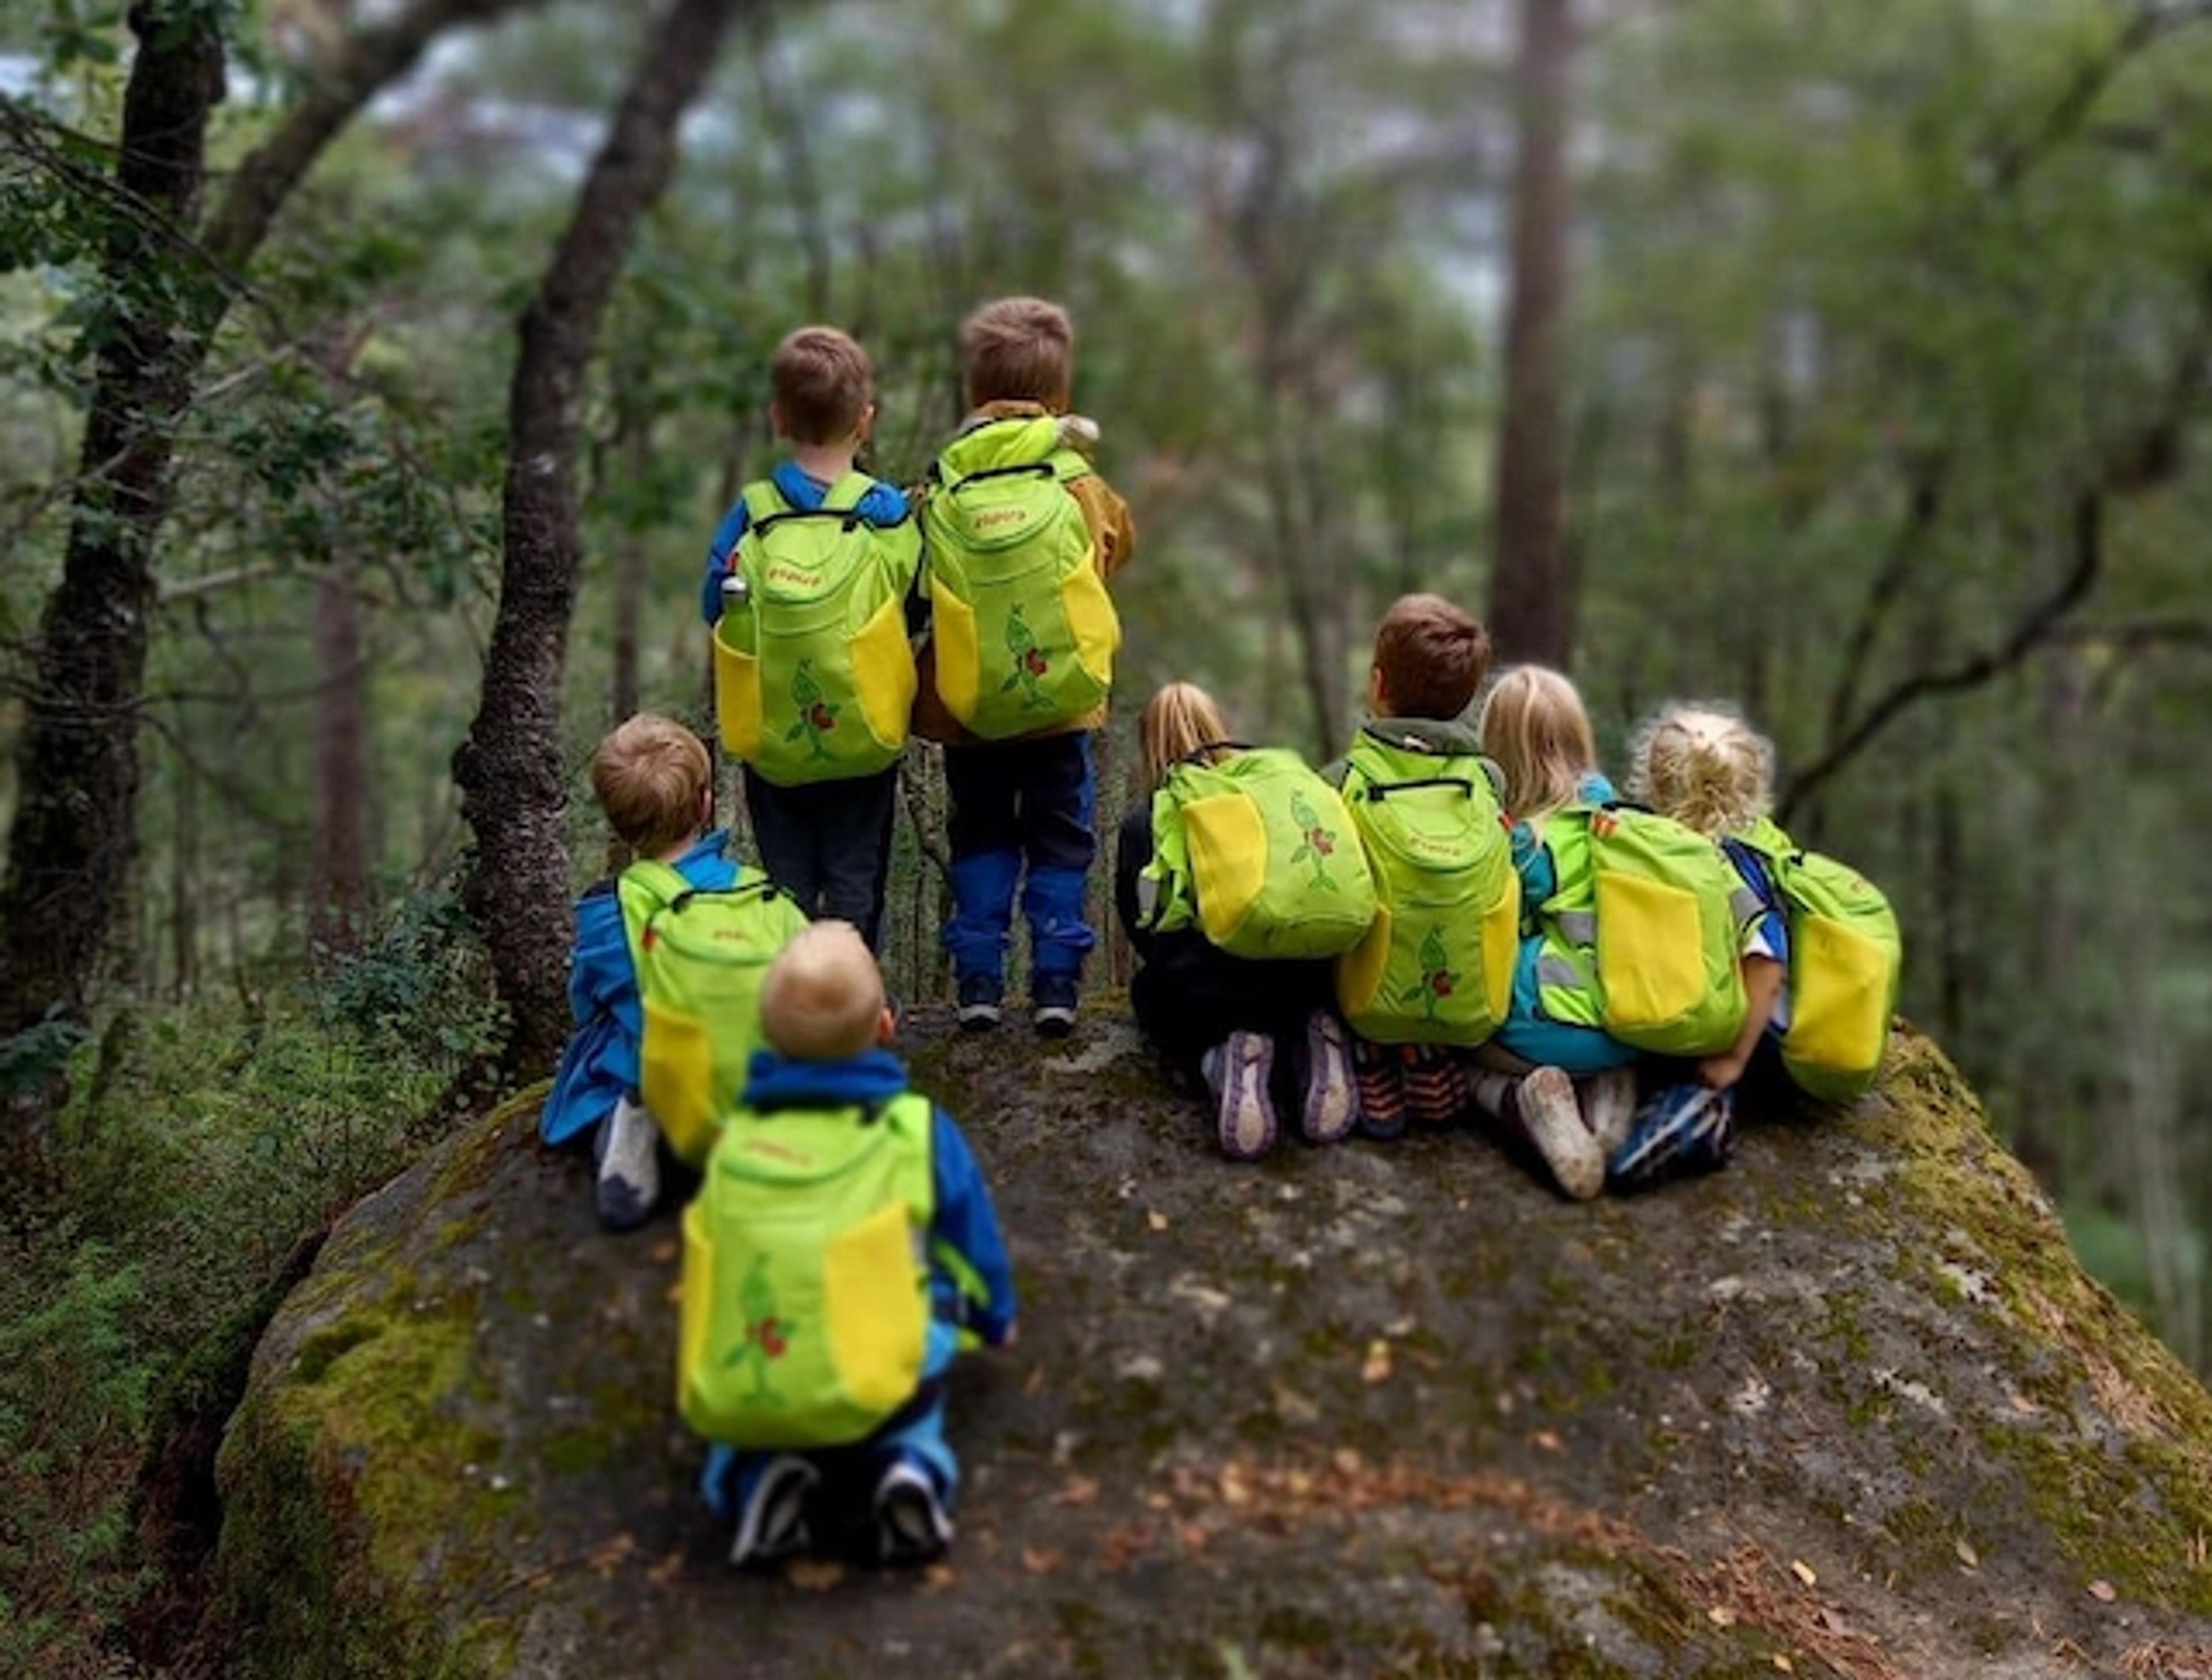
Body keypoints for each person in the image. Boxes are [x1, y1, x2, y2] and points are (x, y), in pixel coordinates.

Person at [698, 922, 1016, 1567]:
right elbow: (973, 1237)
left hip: (765, 1378)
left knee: (746, 1438)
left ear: (768, 1036)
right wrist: (995, 1315)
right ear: (886, 1026)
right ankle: (909, 1468)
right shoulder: (915, 1128)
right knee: (933, 1295)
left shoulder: (735, 1139)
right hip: (885, 1383)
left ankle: (764, 1477)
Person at [917, 297, 1137, 1036]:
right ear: (1060, 392)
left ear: (975, 390)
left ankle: (979, 982)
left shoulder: (944, 484)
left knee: (981, 833)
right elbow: (1117, 546)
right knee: (1061, 836)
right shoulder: (1076, 481)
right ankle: (1056, 984)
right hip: (1060, 703)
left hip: (972, 707)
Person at [699, 326, 919, 951]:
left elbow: (714, 605)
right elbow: (915, 596)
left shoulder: (754, 512)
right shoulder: (885, 511)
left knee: (788, 882)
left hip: (775, 738)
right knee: (856, 879)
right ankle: (854, 990)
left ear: (778, 418)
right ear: (866, 420)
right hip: (866, 731)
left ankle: (794, 992)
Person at [1114, 683, 1359, 1161]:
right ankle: (1307, 1054)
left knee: (1149, 993)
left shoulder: (1147, 821)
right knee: (1285, 1003)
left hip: (1211, 999)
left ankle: (1219, 1062)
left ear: (1149, 746)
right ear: (1219, 729)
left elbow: (1143, 929)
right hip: (1300, 982)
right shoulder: (1268, 801)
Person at [540, 714, 746, 1230]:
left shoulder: (605, 908)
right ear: (704, 805)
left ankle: (634, 1115)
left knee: (610, 1035)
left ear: (617, 823)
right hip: (736, 1064)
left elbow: (585, 1003)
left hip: (652, 1063)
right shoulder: (749, 889)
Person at [1320, 594, 1508, 1142]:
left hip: (1363, 1000)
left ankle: (1368, 1051)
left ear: (1378, 684)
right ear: (1466, 697)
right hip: (1472, 1007)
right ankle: (1428, 1049)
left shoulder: (1342, 780)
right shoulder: (1489, 781)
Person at [1471, 668, 1644, 1200]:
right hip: (1631, 1022)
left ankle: (1523, 1100)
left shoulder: (1524, 844)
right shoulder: (1618, 817)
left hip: (1547, 1023)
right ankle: (1608, 1090)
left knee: (1466, 1043)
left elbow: (1494, 938)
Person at [1607, 700, 1792, 1182]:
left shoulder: (1639, 842)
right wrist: (1732, 1057)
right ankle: (1687, 1109)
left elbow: (1766, 964)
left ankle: (1656, 1102)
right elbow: (1767, 962)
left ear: (1651, 782)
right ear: (1749, 792)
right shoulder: (1733, 864)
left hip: (1666, 1019)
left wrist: (1732, 1059)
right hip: (1701, 1023)